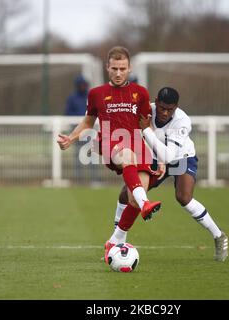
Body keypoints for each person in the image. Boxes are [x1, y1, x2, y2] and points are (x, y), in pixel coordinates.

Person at [57, 46, 162, 262]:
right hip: (110, 142)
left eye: (122, 68)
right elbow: (88, 121)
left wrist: (158, 156)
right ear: (107, 68)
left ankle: (115, 240)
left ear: (129, 68)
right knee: (126, 156)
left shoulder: (140, 93)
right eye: (114, 68)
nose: (118, 73)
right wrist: (71, 138)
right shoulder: (96, 93)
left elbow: (146, 126)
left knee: (134, 196)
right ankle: (145, 204)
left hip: (137, 143)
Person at [110, 87, 228, 262]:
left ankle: (219, 236)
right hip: (156, 158)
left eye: (170, 109)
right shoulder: (147, 110)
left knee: (183, 198)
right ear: (156, 101)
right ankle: (117, 242)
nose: (165, 113)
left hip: (182, 158)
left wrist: (147, 131)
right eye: (162, 107)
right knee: (127, 194)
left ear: (176, 107)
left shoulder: (182, 121)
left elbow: (169, 155)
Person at [64, 75, 102, 186]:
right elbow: (67, 113)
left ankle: (95, 179)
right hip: (77, 131)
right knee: (77, 155)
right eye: (80, 85)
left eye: (83, 84)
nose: (82, 87)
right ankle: (78, 179)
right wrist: (80, 121)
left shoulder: (91, 97)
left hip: (91, 131)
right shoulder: (72, 98)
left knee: (92, 154)